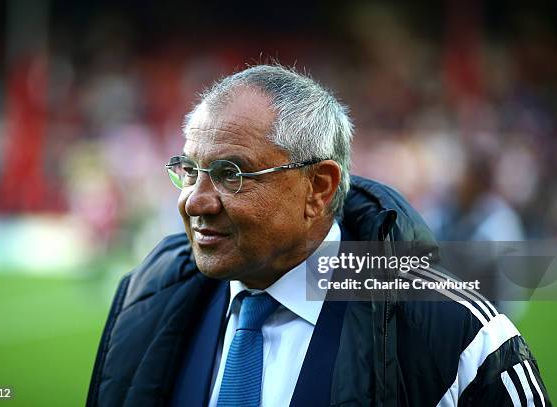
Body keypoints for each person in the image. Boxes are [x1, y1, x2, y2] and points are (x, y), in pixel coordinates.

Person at [86, 65, 551, 407]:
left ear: (318, 187)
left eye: (231, 174)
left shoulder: (457, 333)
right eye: (190, 171)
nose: (195, 201)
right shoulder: (142, 299)